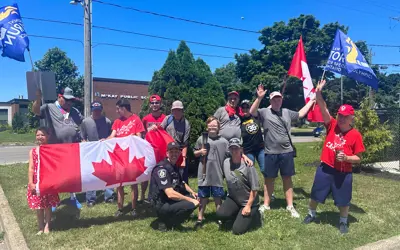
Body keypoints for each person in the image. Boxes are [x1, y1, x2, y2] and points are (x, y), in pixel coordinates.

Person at [303, 80, 365, 234]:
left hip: (343, 172)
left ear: (352, 118)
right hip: (326, 168)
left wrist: (347, 158)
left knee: (343, 199)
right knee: (316, 194)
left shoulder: (355, 135)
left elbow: (358, 158)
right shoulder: (332, 125)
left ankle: (343, 222)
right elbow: (323, 108)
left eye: (345, 116)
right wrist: (318, 92)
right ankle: (311, 213)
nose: (341, 118)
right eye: (340, 115)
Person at [250, 85, 315, 218]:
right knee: (269, 179)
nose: (277, 101)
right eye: (274, 99)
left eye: (278, 99)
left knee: (287, 178)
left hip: (286, 152)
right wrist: (259, 97)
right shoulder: (264, 112)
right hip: (270, 152)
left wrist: (312, 101)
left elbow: (301, 114)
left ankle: (290, 206)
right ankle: (266, 204)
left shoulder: (287, 112)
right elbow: (252, 111)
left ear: (282, 100)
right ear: (270, 100)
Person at [32, 87, 83, 210]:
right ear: (60, 97)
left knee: (71, 174)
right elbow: (36, 111)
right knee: (55, 175)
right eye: (67, 100)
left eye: (71, 100)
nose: (70, 102)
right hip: (54, 149)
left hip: (71, 148)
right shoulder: (49, 108)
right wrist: (38, 98)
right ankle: (54, 200)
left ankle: (73, 197)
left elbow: (82, 124)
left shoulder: (74, 111)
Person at [106, 98, 145, 217]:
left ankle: (134, 208)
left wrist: (132, 136)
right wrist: (104, 141)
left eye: (118, 109)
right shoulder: (117, 122)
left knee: (134, 183)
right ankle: (120, 208)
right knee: (119, 184)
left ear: (124, 108)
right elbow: (112, 136)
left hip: (131, 156)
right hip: (119, 157)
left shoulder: (136, 119)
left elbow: (140, 137)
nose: (117, 111)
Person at [148, 141, 199, 231]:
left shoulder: (173, 166)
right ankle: (165, 221)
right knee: (191, 203)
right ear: (167, 153)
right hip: (160, 203)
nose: (174, 154)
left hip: (167, 200)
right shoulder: (161, 169)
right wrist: (190, 200)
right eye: (171, 152)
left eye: (176, 152)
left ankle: (170, 220)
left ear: (180, 153)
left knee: (196, 198)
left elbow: (181, 183)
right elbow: (170, 194)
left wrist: (193, 193)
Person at [216, 138, 262, 235]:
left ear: (241, 149)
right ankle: (237, 214)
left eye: (236, 148)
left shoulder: (248, 166)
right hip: (234, 199)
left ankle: (255, 214)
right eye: (231, 148)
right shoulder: (226, 162)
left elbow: (255, 189)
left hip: (248, 202)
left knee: (237, 230)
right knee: (220, 214)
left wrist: (248, 206)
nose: (234, 151)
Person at [193, 116, 229, 228]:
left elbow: (229, 155)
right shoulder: (201, 139)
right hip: (204, 173)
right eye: (210, 124)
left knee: (218, 198)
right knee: (203, 198)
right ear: (207, 126)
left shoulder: (224, 141)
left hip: (217, 173)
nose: (212, 127)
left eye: (215, 125)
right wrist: (200, 151)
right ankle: (200, 218)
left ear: (218, 127)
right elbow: (194, 153)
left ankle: (220, 217)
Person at [27, 127, 60, 235]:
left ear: (48, 136)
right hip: (36, 181)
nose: (40, 137)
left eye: (43, 135)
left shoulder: (51, 150)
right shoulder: (33, 151)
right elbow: (31, 168)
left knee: (47, 205)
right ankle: (40, 227)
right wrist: (31, 183)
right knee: (39, 205)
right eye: (38, 135)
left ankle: (47, 226)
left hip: (48, 180)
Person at [81, 101, 114, 207]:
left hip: (104, 151)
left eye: (99, 110)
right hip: (91, 152)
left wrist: (107, 140)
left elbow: (111, 136)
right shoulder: (86, 122)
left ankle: (109, 196)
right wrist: (86, 144)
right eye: (95, 110)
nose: (97, 112)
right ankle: (91, 198)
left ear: (101, 110)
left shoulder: (107, 121)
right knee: (91, 174)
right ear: (91, 110)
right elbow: (82, 137)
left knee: (108, 172)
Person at [240, 99, 270, 206]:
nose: (245, 109)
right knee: (249, 172)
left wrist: (260, 97)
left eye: (247, 107)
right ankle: (249, 193)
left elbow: (263, 108)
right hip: (248, 150)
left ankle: (269, 193)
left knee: (265, 170)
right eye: (243, 107)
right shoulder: (240, 120)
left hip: (260, 149)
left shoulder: (256, 116)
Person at [141, 94, 166, 203]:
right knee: (147, 173)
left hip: (161, 150)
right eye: (152, 103)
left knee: (161, 173)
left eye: (157, 103)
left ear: (160, 104)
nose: (155, 105)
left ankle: (161, 195)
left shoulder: (165, 118)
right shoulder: (146, 119)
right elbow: (142, 135)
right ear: (150, 105)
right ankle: (142, 196)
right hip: (149, 150)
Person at [160, 100, 191, 183]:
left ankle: (182, 192)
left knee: (181, 175)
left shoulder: (186, 124)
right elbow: (160, 131)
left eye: (179, 110)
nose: (176, 112)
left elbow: (185, 143)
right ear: (171, 111)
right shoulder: (168, 119)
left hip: (178, 152)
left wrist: (184, 159)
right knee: (167, 172)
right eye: (174, 110)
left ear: (182, 111)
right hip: (167, 151)